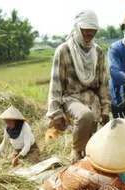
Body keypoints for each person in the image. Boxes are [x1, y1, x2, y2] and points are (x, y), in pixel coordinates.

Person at [46, 10, 110, 162]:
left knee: (92, 147)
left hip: (92, 100)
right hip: (71, 98)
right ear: (77, 28)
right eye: (86, 29)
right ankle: (75, 152)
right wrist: (56, 113)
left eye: (93, 29)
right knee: (84, 116)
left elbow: (103, 83)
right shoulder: (64, 51)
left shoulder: (98, 52)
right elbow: (56, 83)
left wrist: (106, 108)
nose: (90, 33)